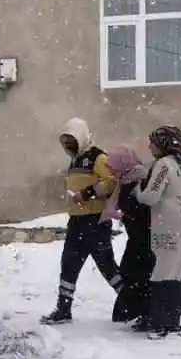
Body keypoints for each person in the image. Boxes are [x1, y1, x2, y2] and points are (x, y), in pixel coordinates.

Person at [41, 117, 121, 323]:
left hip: (95, 222)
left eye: (72, 141)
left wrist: (87, 193)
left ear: (82, 138)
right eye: (65, 142)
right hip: (77, 222)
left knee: (107, 267)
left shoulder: (98, 157)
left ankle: (130, 302)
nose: (68, 146)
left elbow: (112, 181)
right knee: (69, 264)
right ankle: (63, 309)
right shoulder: (75, 159)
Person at [132, 125, 181, 337]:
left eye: (153, 142)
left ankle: (168, 326)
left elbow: (150, 197)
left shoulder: (163, 164)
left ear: (164, 145)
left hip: (172, 227)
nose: (149, 146)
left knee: (164, 274)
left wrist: (137, 188)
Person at [102, 145, 153, 323]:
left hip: (144, 239)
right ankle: (136, 313)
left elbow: (144, 208)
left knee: (140, 276)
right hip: (136, 238)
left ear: (122, 164)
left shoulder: (139, 179)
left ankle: (145, 314)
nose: (111, 171)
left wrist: (128, 212)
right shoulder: (126, 180)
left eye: (113, 167)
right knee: (131, 274)